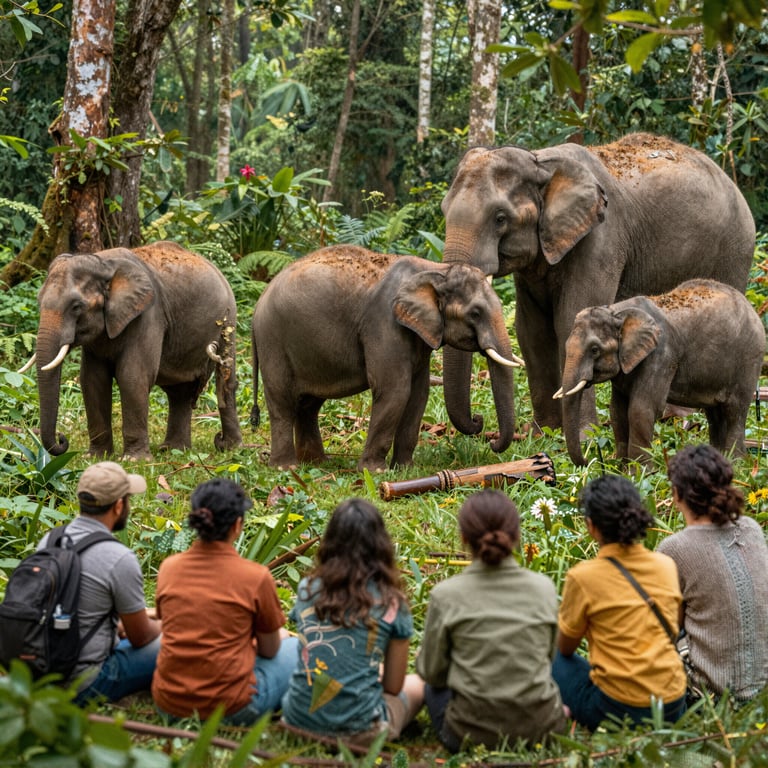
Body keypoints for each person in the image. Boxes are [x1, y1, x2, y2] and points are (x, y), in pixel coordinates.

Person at [417, 489, 566, 752]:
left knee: (430, 684)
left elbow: (432, 674)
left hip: (468, 734)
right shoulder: (543, 588)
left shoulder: (445, 595)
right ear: (516, 536)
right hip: (542, 729)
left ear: (463, 537)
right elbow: (548, 657)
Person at [152, 478, 297, 724]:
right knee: (296, 648)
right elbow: (270, 650)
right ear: (237, 525)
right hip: (231, 708)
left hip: (169, 704)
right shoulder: (255, 577)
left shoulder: (169, 568)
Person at [281, 498, 424, 745]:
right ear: (381, 546)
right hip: (361, 731)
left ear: (330, 543)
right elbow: (393, 687)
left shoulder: (307, 588)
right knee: (419, 683)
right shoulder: (392, 603)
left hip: (296, 722)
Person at [553, 475, 687, 731]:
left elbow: (566, 647)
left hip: (618, 709)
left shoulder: (583, 577)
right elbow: (674, 626)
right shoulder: (666, 565)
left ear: (591, 526)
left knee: (551, 656)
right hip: (672, 704)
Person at [37, 460, 161, 704]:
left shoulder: (49, 540)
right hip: (85, 682)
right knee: (178, 643)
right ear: (118, 505)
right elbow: (141, 637)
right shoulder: (119, 557)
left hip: (42, 673)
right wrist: (170, 626)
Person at [658, 444, 768, 702]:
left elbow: (667, 628)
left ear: (677, 494)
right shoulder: (751, 528)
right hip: (763, 692)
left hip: (710, 695)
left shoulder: (674, 548)